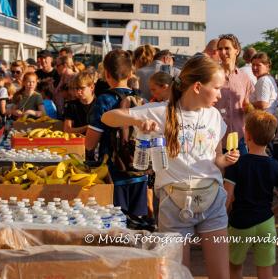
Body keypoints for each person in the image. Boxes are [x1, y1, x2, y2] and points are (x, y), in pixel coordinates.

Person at [101, 56, 239, 278]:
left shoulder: (214, 116)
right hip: (174, 205)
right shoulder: (162, 111)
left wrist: (226, 160)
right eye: (216, 88)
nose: (220, 94)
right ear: (197, 87)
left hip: (212, 201)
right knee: (177, 274)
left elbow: (216, 158)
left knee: (221, 275)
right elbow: (108, 117)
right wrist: (138, 122)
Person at [86, 49, 150, 229]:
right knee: (137, 226)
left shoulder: (104, 100)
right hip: (140, 171)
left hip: (114, 173)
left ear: (106, 73)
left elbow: (90, 143)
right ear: (131, 73)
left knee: (116, 227)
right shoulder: (141, 100)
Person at [224, 110, 278, 279]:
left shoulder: (236, 164)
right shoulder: (276, 166)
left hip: (240, 221)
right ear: (272, 137)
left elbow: (227, 197)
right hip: (266, 223)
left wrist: (222, 217)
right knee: (265, 269)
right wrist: (271, 214)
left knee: (234, 266)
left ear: (247, 134)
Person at [215, 34, 254, 155]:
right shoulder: (212, 75)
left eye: (227, 48)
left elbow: (247, 104)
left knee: (241, 174)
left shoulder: (244, 77)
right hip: (215, 140)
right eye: (220, 49)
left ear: (236, 51)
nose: (223, 52)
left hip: (239, 139)